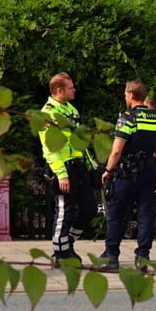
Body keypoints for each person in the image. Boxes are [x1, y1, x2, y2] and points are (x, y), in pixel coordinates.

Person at [98, 81, 156, 273]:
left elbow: (116, 151)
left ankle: (111, 256)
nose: (124, 97)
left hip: (127, 174)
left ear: (130, 94)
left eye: (125, 94)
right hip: (148, 173)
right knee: (145, 215)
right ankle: (142, 258)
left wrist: (108, 170)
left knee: (117, 214)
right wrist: (146, 156)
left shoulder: (127, 118)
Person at [40, 72, 97, 263]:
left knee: (90, 208)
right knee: (65, 212)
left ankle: (67, 243)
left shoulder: (71, 109)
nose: (75, 90)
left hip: (79, 167)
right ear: (60, 90)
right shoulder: (48, 113)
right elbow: (49, 148)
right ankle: (62, 254)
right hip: (63, 169)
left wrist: (91, 165)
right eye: (71, 87)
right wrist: (62, 175)